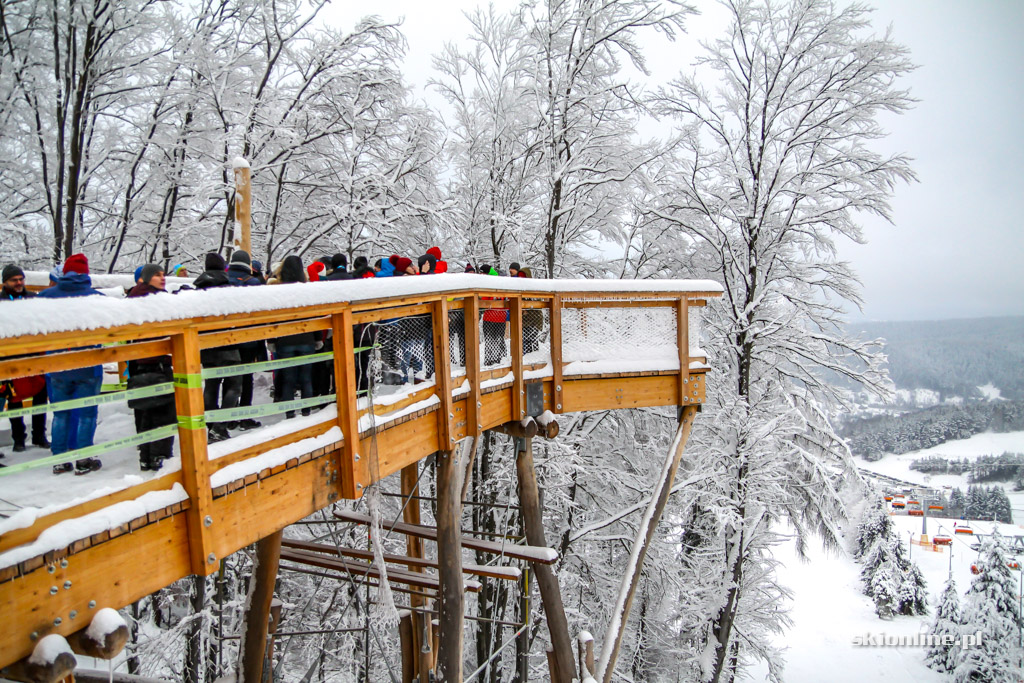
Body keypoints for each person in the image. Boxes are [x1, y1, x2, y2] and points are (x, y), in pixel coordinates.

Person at [38, 254, 105, 474]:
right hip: (88, 364)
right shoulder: (97, 298)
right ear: (86, 272)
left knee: (60, 413)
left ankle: (59, 459)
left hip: (57, 364)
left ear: (65, 272)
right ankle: (83, 458)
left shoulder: (45, 297)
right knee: (86, 414)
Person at [126, 265, 176, 471]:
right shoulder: (155, 300)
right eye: (157, 275)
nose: (162, 278)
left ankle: (146, 456)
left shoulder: (133, 298)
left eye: (163, 274)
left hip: (138, 363)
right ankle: (159, 457)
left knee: (146, 412)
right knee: (163, 413)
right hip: (157, 362)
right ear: (146, 279)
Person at [0, 265, 50, 453]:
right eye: (14, 280)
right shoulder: (1, 302)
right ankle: (18, 439)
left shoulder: (33, 299)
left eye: (21, 279)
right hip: (10, 359)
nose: (19, 283)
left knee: (40, 397)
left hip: (35, 357)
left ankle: (39, 435)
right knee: (14, 399)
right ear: (5, 282)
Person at [193, 253, 242, 442]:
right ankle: (220, 427)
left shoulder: (197, 290)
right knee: (234, 385)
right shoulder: (229, 289)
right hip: (229, 342)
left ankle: (212, 425)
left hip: (206, 344)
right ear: (223, 267)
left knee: (211, 386)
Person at [270, 256, 318, 417]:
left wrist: (271, 339)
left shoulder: (277, 291)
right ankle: (306, 410)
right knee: (306, 378)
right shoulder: (308, 290)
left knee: (288, 379)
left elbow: (273, 317)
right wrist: (318, 338)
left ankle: (290, 413)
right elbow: (315, 316)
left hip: (285, 339)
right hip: (306, 339)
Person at [224, 250, 265, 430]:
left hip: (225, 338)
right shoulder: (253, 283)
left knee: (229, 377)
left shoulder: (223, 281)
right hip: (248, 338)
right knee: (246, 377)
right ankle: (244, 416)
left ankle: (227, 417)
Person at [479, 264, 507, 365]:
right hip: (500, 317)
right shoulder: (501, 283)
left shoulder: (487, 284)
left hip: (490, 317)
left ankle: (489, 360)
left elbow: (484, 300)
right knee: (498, 340)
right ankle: (498, 359)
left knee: (490, 340)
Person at [518, 267, 543, 354]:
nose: (521, 279)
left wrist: (527, 310)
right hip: (525, 320)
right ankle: (527, 357)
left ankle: (534, 357)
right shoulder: (519, 288)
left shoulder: (533, 288)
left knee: (532, 340)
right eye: (519, 277)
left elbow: (538, 303)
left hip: (534, 320)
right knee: (524, 340)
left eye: (523, 277)